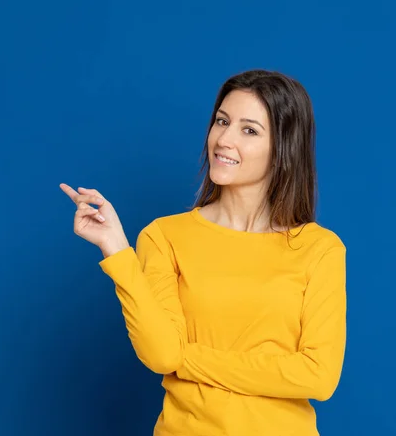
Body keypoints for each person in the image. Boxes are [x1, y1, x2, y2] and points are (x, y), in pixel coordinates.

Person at [59, 69, 346, 436]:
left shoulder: (319, 249)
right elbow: (162, 355)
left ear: (283, 148)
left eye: (249, 130)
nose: (224, 139)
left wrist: (190, 358)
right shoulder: (165, 236)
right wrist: (116, 250)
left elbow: (319, 376)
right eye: (221, 121)